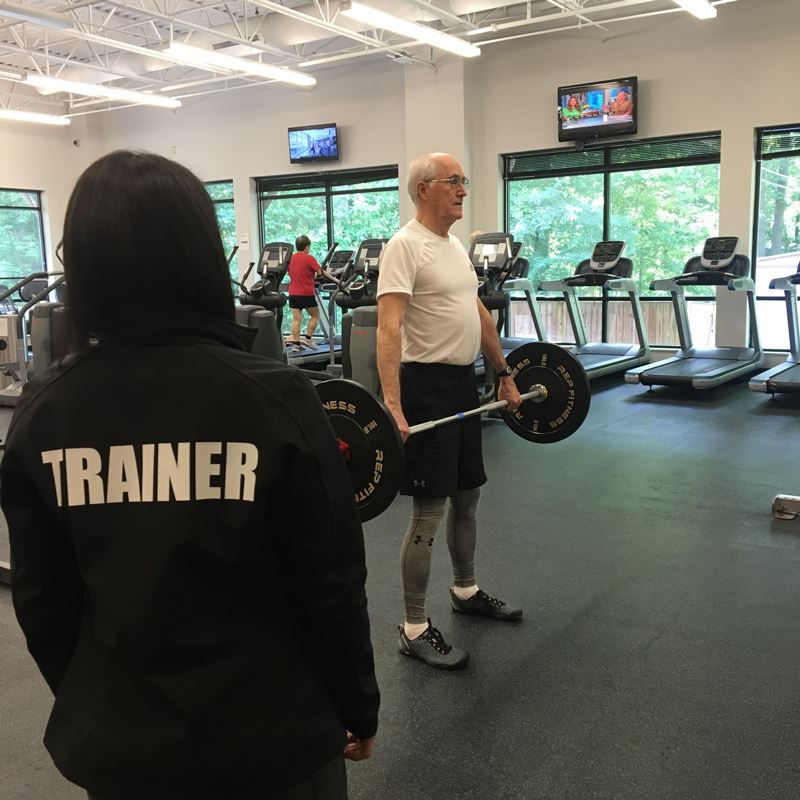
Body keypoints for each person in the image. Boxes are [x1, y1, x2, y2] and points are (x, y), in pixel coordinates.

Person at [0, 150, 379, 800]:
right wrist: (356, 704)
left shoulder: (43, 413)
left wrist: (105, 704)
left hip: (129, 755)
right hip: (275, 742)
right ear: (200, 255)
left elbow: (43, 602)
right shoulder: (279, 397)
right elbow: (332, 581)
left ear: (84, 267)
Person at [376, 152, 523, 671]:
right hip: (425, 388)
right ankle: (412, 627)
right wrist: (392, 403)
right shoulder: (404, 246)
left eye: (464, 180)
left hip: (463, 384)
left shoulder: (454, 246)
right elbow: (389, 328)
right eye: (453, 181)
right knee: (429, 510)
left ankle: (466, 590)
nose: (463, 189)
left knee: (468, 496)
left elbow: (477, 311)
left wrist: (503, 372)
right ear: (423, 190)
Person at [286, 234, 332, 351]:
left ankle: (296, 345)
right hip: (306, 294)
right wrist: (335, 279)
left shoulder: (290, 258)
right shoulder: (309, 258)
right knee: (315, 315)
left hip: (293, 294)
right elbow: (320, 272)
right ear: (307, 247)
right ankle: (308, 338)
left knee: (296, 319)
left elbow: (290, 273)